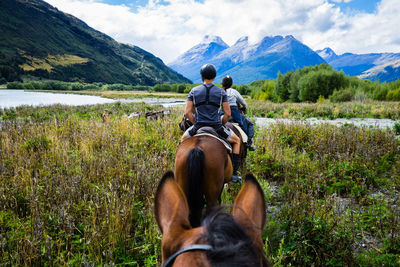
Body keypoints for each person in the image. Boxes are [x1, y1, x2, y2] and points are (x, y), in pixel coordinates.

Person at [181, 64, 242, 182]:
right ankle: (234, 173)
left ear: (201, 76)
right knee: (237, 141)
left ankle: (180, 171)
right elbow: (228, 114)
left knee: (183, 140)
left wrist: (196, 123)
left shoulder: (194, 91)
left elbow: (188, 112)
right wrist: (222, 123)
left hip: (198, 125)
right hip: (216, 126)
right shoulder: (221, 92)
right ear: (214, 76)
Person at [220, 75, 255, 151]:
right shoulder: (234, 92)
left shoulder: (220, 92)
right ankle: (248, 142)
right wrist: (244, 107)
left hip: (222, 112)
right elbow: (243, 103)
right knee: (249, 125)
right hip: (234, 113)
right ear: (231, 84)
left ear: (222, 83)